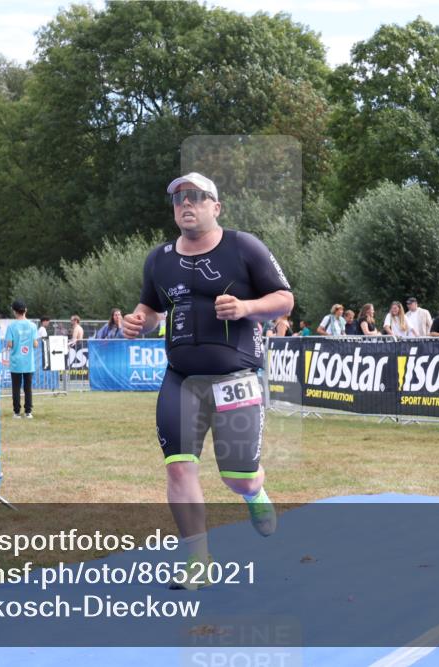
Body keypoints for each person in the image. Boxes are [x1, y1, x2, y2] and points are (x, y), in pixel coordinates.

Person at [121, 171, 293, 589]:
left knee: (238, 477)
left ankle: (254, 492)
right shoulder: (159, 258)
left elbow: (284, 299)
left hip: (235, 378)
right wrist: (138, 322)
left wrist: (247, 307)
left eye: (197, 197)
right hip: (181, 379)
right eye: (180, 198)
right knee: (179, 470)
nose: (187, 203)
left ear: (216, 207)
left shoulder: (244, 246)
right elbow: (151, 308)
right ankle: (198, 560)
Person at [5, 300, 39, 419]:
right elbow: (35, 344)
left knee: (16, 387)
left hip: (16, 362)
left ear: (14, 311)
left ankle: (16, 412)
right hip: (28, 361)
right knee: (28, 388)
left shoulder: (11, 326)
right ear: (26, 310)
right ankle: (28, 412)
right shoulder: (33, 326)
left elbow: (10, 344)